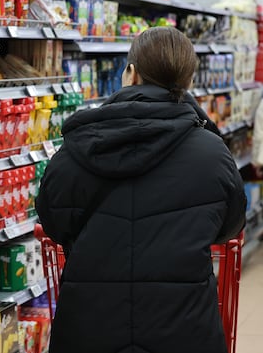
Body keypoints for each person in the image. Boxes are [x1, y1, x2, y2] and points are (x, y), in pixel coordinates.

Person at [36, 26, 245, 353]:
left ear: (131, 73)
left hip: (90, 331)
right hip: (184, 331)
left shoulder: (76, 148)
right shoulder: (212, 153)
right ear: (189, 81)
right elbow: (230, 226)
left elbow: (53, 222)